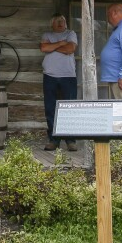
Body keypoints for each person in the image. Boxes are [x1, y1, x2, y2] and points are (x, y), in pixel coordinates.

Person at [40, 13, 78, 151]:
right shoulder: (46, 35)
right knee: (50, 108)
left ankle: (70, 140)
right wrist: (61, 43)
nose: (61, 23)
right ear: (52, 24)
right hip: (50, 76)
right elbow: (44, 48)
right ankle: (53, 140)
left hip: (68, 76)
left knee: (69, 108)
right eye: (57, 21)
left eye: (63, 20)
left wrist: (53, 46)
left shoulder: (71, 33)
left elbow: (70, 49)